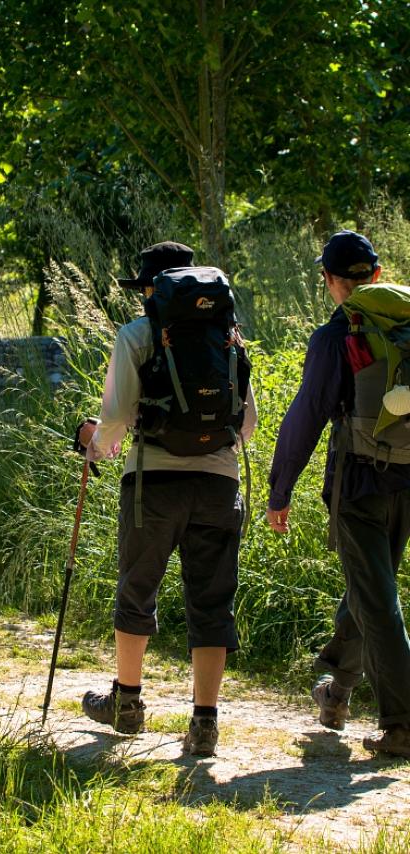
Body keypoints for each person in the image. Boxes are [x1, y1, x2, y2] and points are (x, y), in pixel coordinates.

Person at [78, 241, 258, 757]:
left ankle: (128, 704)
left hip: (152, 482)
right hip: (220, 485)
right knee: (211, 599)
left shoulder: (137, 335)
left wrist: (94, 445)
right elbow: (246, 424)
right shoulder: (229, 337)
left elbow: (114, 419)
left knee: (137, 586)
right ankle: (204, 723)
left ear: (153, 289)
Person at [267, 230, 410, 758]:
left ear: (329, 280)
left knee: (377, 599)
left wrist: (280, 489)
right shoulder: (405, 326)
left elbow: (307, 416)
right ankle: (338, 693)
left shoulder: (334, 337)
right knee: (371, 588)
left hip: (358, 484)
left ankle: (402, 723)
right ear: (375, 274)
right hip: (407, 478)